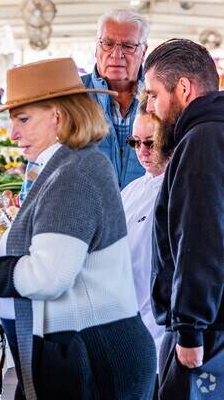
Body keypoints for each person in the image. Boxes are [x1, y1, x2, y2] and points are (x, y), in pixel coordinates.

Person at [0, 58, 156, 399]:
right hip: (79, 358)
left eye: (23, 119)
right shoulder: (65, 164)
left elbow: (46, 277)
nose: (13, 134)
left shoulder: (75, 174)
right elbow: (44, 244)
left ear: (58, 115)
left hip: (94, 364)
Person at [144, 38, 224, 399]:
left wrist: (189, 329)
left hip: (207, 330)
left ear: (184, 88)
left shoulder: (203, 139)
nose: (151, 107)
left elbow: (200, 240)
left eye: (154, 94)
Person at [120, 100, 171, 360]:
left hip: (161, 336)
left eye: (150, 142)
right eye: (135, 142)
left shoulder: (178, 193)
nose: (141, 151)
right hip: (128, 330)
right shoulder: (131, 191)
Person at [82, 9, 149, 189]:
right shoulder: (74, 97)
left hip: (146, 214)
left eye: (128, 46)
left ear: (143, 52)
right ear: (96, 47)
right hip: (89, 213)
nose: (116, 54)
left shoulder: (158, 98)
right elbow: (44, 157)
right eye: (108, 43)